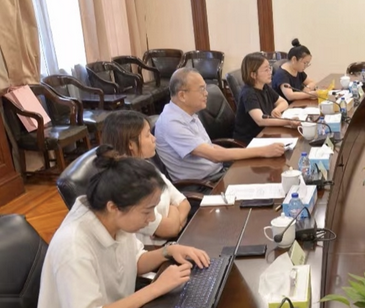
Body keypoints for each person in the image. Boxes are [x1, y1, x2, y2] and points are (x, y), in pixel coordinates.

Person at [25, 146, 210, 308]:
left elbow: (134, 261)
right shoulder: (73, 245)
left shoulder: (112, 221)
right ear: (114, 207)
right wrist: (155, 289)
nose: (152, 219)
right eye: (147, 211)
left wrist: (168, 250)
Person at [155, 68, 285, 182]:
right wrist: (263, 151)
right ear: (182, 95)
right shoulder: (171, 122)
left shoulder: (188, 113)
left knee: (267, 174)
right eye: (201, 89)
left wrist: (259, 152)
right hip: (203, 184)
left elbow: (211, 148)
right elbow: (214, 155)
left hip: (218, 171)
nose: (206, 93)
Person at [102, 111, 190, 245]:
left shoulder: (147, 166)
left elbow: (184, 202)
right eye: (148, 134)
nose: (154, 138)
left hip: (177, 239)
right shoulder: (126, 186)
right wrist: (173, 210)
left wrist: (175, 223)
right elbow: (169, 229)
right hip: (156, 254)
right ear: (131, 144)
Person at [233, 52, 299, 144]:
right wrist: (288, 122)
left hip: (265, 132)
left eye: (269, 68)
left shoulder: (264, 87)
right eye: (266, 70)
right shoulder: (248, 93)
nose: (270, 72)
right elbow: (260, 120)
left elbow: (283, 102)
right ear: (253, 75)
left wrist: (277, 110)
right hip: (250, 141)